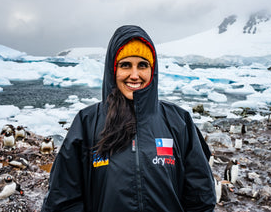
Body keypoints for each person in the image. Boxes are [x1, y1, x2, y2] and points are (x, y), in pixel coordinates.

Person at [41, 25, 216, 211]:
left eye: (142, 65)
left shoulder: (178, 121)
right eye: (125, 65)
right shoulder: (87, 123)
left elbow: (201, 196)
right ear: (113, 70)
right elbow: (62, 200)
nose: (135, 75)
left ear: (152, 70)